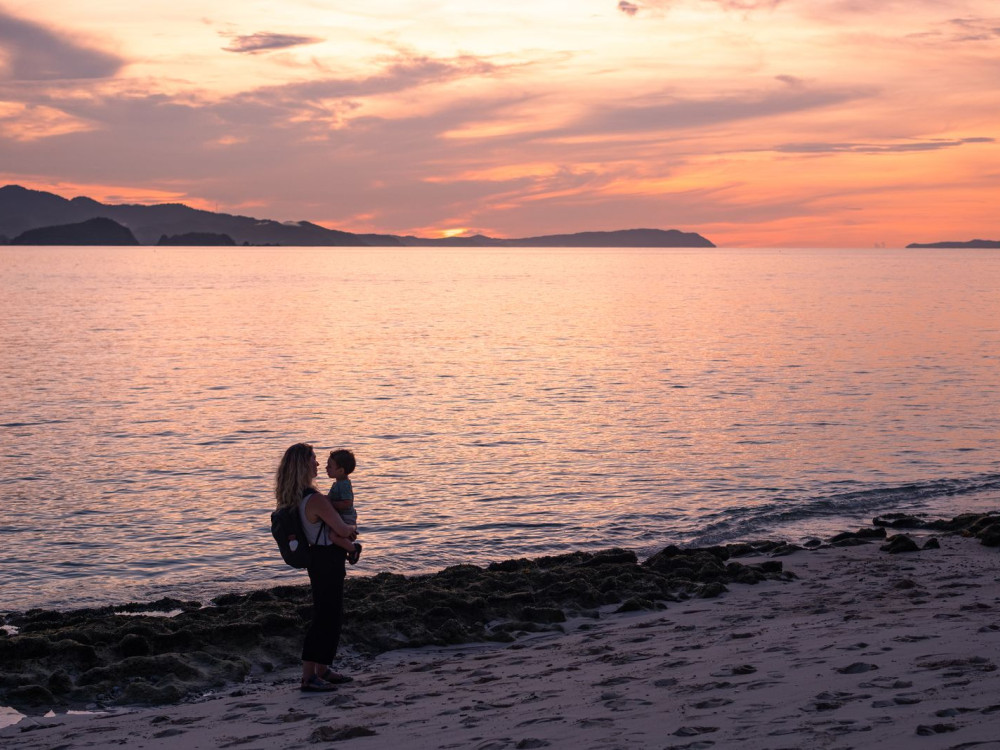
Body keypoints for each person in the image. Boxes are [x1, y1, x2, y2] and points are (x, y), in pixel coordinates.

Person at [274, 442, 357, 692]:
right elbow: (342, 529)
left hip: (319, 558)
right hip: (327, 559)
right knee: (325, 617)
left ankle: (322, 670)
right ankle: (309, 677)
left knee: (329, 614)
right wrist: (351, 531)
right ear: (303, 465)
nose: (318, 464)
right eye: (313, 459)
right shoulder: (317, 500)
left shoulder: (296, 498)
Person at [326, 448, 362, 565]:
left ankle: (353, 549)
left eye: (330, 466)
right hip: (342, 516)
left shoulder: (344, 485)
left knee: (333, 536)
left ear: (341, 470)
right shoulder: (338, 483)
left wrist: (330, 504)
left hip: (346, 517)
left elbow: (347, 503)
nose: (326, 468)